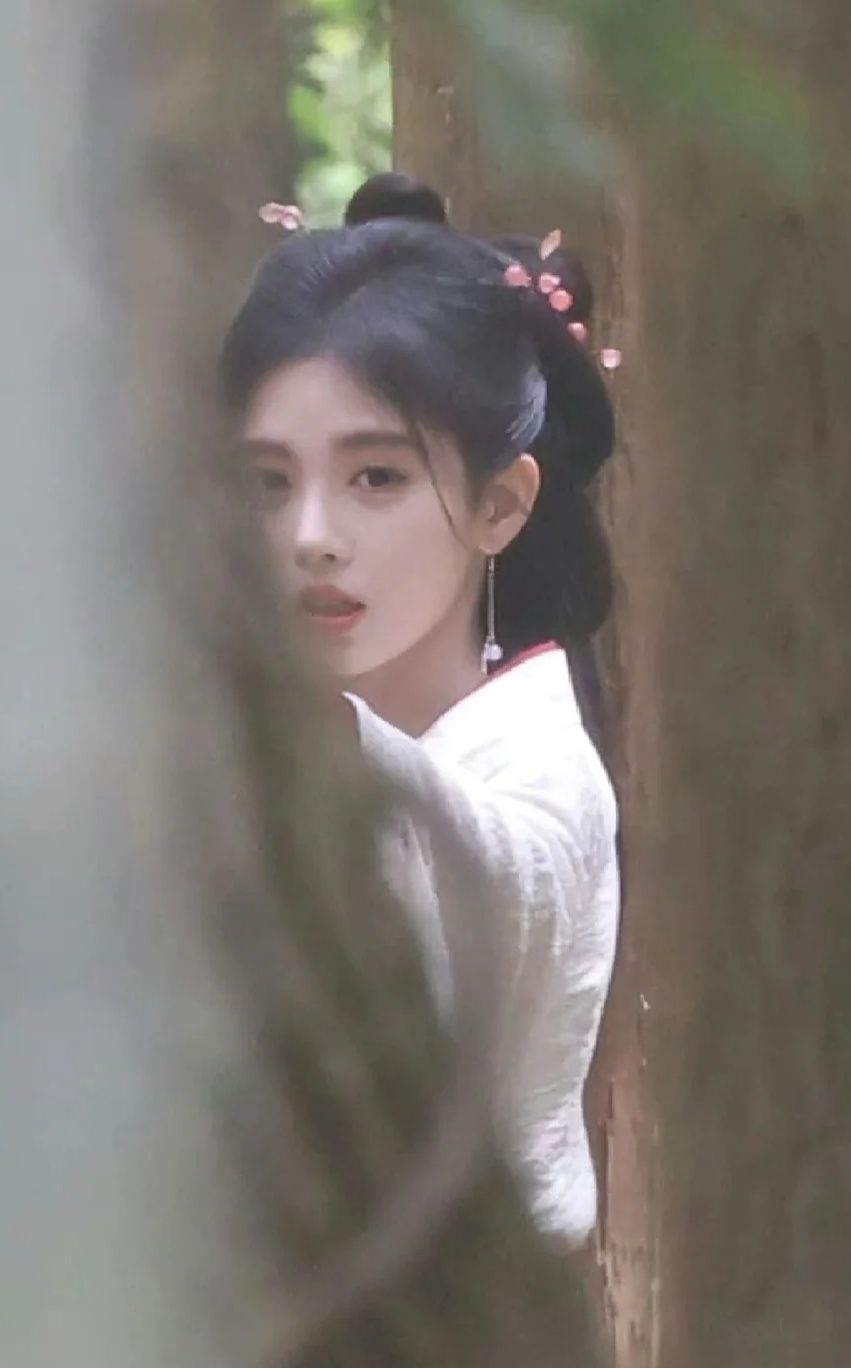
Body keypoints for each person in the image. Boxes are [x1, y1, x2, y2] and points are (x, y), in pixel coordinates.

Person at [219, 172, 620, 1250]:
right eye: (266, 484)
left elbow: (496, 867)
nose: (310, 537)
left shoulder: (541, 777)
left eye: (377, 479)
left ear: (501, 503)